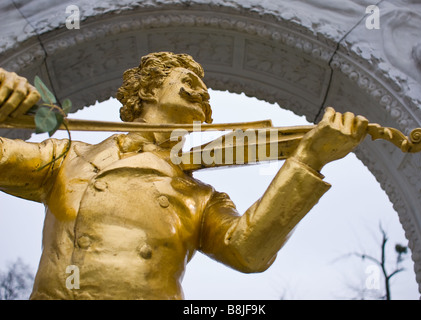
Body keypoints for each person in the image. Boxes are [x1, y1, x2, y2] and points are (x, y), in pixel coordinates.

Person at [0, 52, 368, 299]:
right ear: (147, 89)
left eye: (204, 91)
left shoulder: (200, 196)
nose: (204, 91)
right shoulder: (67, 155)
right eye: (189, 80)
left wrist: (307, 161)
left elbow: (248, 252)